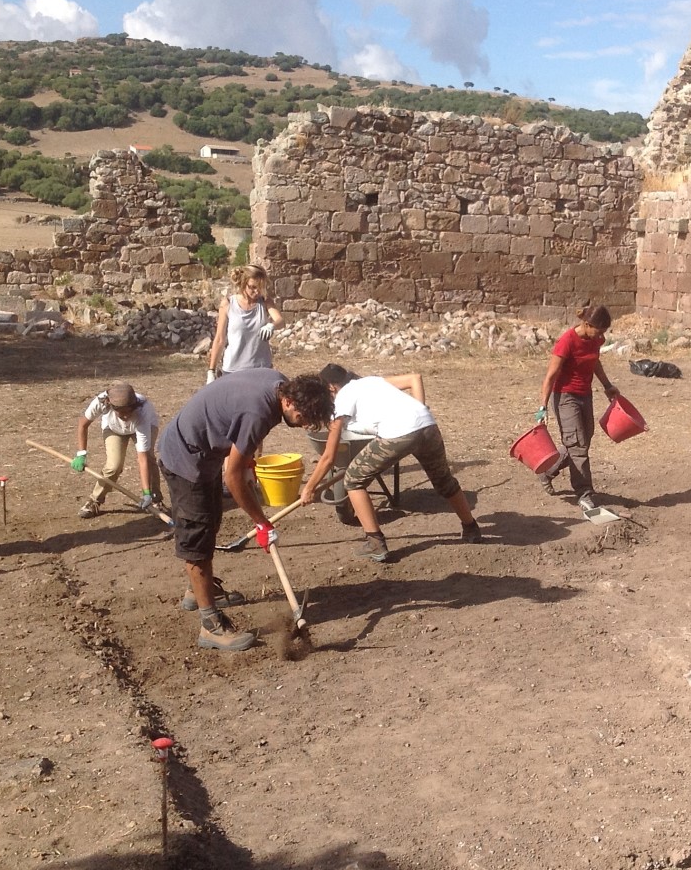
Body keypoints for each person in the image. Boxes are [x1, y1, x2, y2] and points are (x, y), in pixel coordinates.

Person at [158, 369, 333, 651]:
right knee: (198, 537)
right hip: (185, 459)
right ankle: (210, 626)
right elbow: (233, 477)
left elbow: (233, 423)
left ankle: (197, 591)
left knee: (211, 520)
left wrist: (248, 460)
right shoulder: (258, 412)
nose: (303, 426)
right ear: (289, 402)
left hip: (203, 452)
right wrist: (261, 523)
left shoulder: (276, 382)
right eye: (303, 418)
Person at [302, 364, 481, 563]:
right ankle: (471, 527)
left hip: (399, 434)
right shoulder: (370, 381)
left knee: (353, 479)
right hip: (427, 424)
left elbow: (328, 456)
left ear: (331, 388)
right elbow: (412, 380)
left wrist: (310, 488)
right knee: (444, 480)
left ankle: (375, 543)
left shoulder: (342, 398)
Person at [536, 305, 618, 512]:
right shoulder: (567, 341)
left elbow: (595, 362)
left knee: (582, 441)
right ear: (587, 324)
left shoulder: (595, 340)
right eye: (599, 331)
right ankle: (584, 494)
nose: (601, 336)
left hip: (585, 395)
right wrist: (542, 407)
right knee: (578, 445)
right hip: (565, 397)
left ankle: (547, 471)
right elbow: (551, 376)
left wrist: (607, 386)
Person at [72, 381, 163, 519]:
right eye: (121, 413)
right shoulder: (101, 402)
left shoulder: (143, 411)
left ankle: (154, 499)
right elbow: (83, 424)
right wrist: (81, 453)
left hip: (144, 427)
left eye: (129, 412)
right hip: (113, 429)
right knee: (113, 466)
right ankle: (95, 501)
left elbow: (142, 458)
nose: (126, 417)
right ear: (110, 404)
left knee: (149, 459)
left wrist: (145, 493)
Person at [205, 264, 284, 382]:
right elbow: (220, 339)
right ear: (243, 283)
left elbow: (281, 321)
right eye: (252, 287)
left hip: (261, 369)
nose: (256, 291)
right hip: (233, 370)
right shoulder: (228, 303)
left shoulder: (265, 302)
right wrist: (211, 371)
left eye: (260, 287)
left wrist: (271, 325)